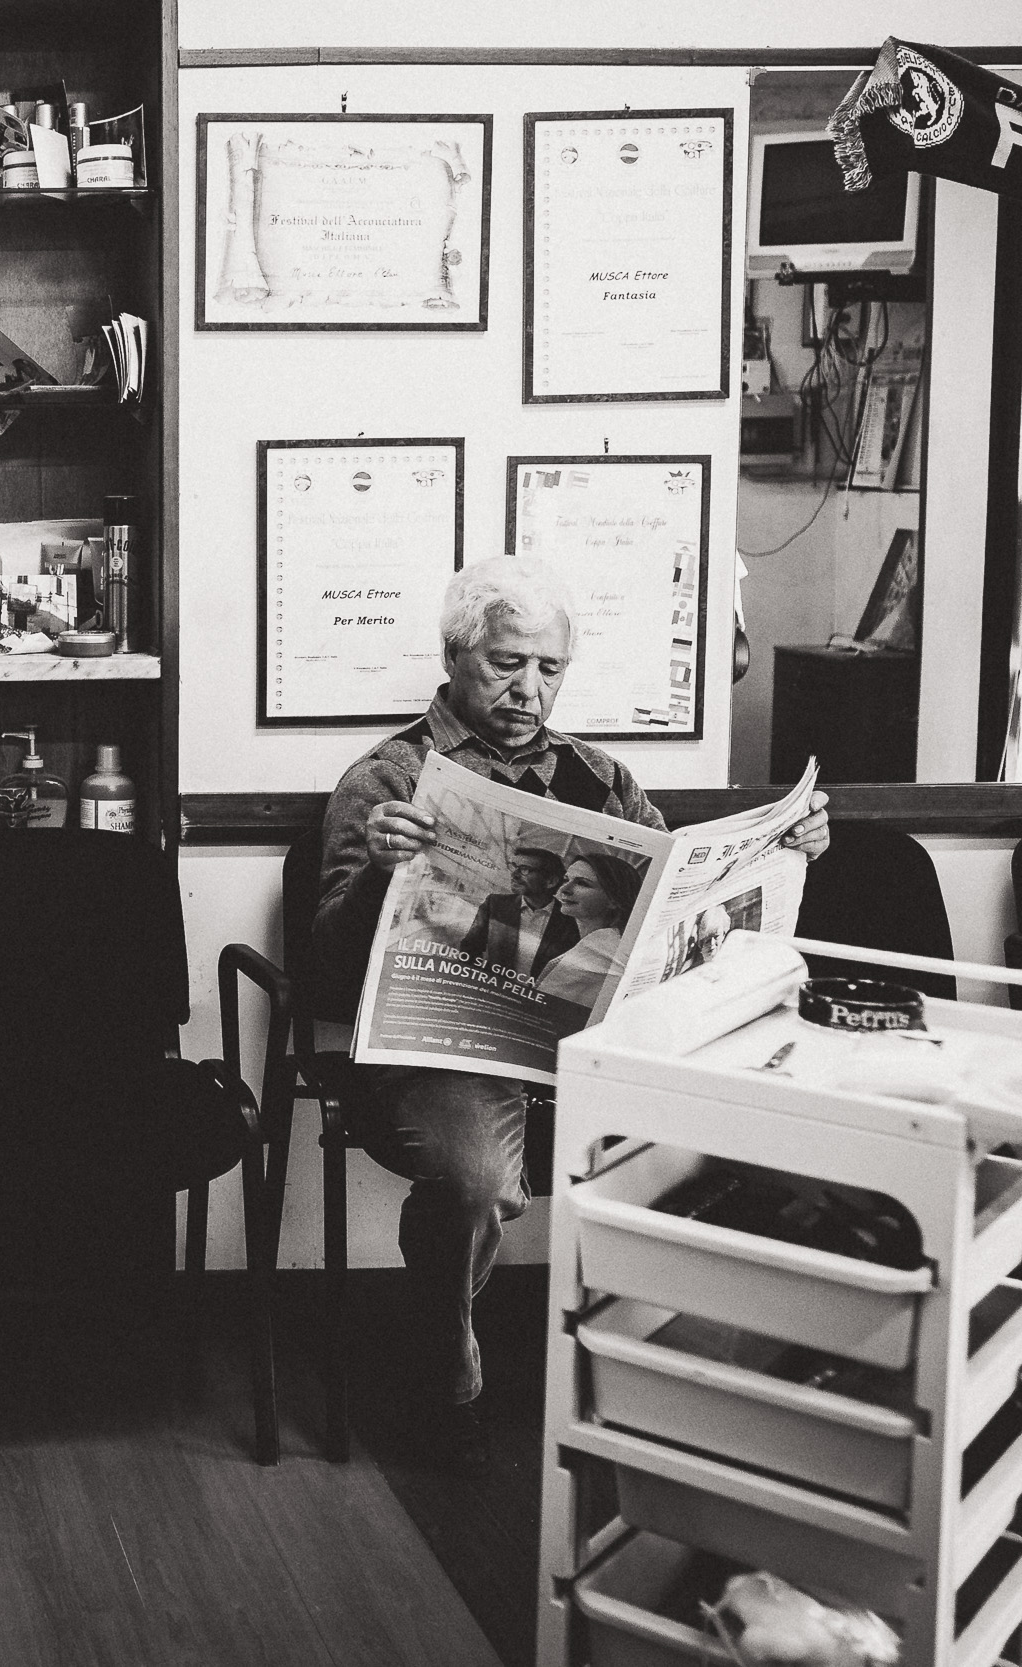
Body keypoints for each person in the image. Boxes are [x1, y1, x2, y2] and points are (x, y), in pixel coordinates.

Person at [312, 556, 830, 1468]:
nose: (529, 690)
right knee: (477, 1178)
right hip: (444, 1050)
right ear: (454, 654)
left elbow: (678, 910)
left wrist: (782, 853)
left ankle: (677, 1384)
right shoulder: (389, 777)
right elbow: (323, 968)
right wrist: (384, 879)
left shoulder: (603, 778)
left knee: (731, 1137)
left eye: (549, 669)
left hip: (579, 1049)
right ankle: (449, 1375)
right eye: (508, 663)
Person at [536, 852, 643, 1010]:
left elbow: (542, 1008)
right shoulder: (606, 941)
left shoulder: (603, 945)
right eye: (566, 879)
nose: (564, 889)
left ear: (614, 900)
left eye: (582, 883)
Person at [458, 846, 578, 979]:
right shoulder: (495, 905)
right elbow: (469, 951)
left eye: (524, 869)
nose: (514, 875)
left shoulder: (571, 921)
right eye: (514, 866)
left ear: (551, 881)